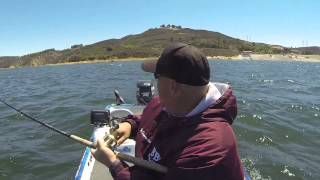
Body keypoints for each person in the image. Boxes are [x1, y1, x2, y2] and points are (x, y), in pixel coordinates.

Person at [91, 42, 244, 180]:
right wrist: (129, 125)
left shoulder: (210, 149)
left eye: (157, 78)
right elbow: (149, 118)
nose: (156, 84)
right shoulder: (166, 104)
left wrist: (113, 164)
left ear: (172, 86)